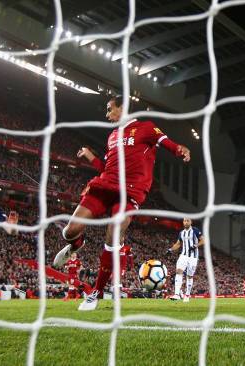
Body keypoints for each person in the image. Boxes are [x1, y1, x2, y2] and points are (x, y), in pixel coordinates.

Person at [53, 95, 191, 311]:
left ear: (123, 108)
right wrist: (90, 156)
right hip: (106, 184)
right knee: (70, 231)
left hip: (132, 190)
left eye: (110, 110)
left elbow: (167, 143)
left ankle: (95, 293)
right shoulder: (113, 136)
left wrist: (180, 149)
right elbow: (107, 168)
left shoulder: (145, 128)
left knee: (113, 233)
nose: (107, 115)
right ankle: (76, 244)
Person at [167, 218, 204, 302]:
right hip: (183, 256)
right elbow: (178, 244)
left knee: (189, 276)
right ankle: (176, 294)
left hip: (193, 257)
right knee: (178, 271)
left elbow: (203, 240)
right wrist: (170, 250)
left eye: (188, 221)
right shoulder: (182, 233)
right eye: (184, 221)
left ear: (191, 222)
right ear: (183, 222)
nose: (186, 222)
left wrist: (195, 245)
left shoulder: (195, 230)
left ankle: (187, 294)